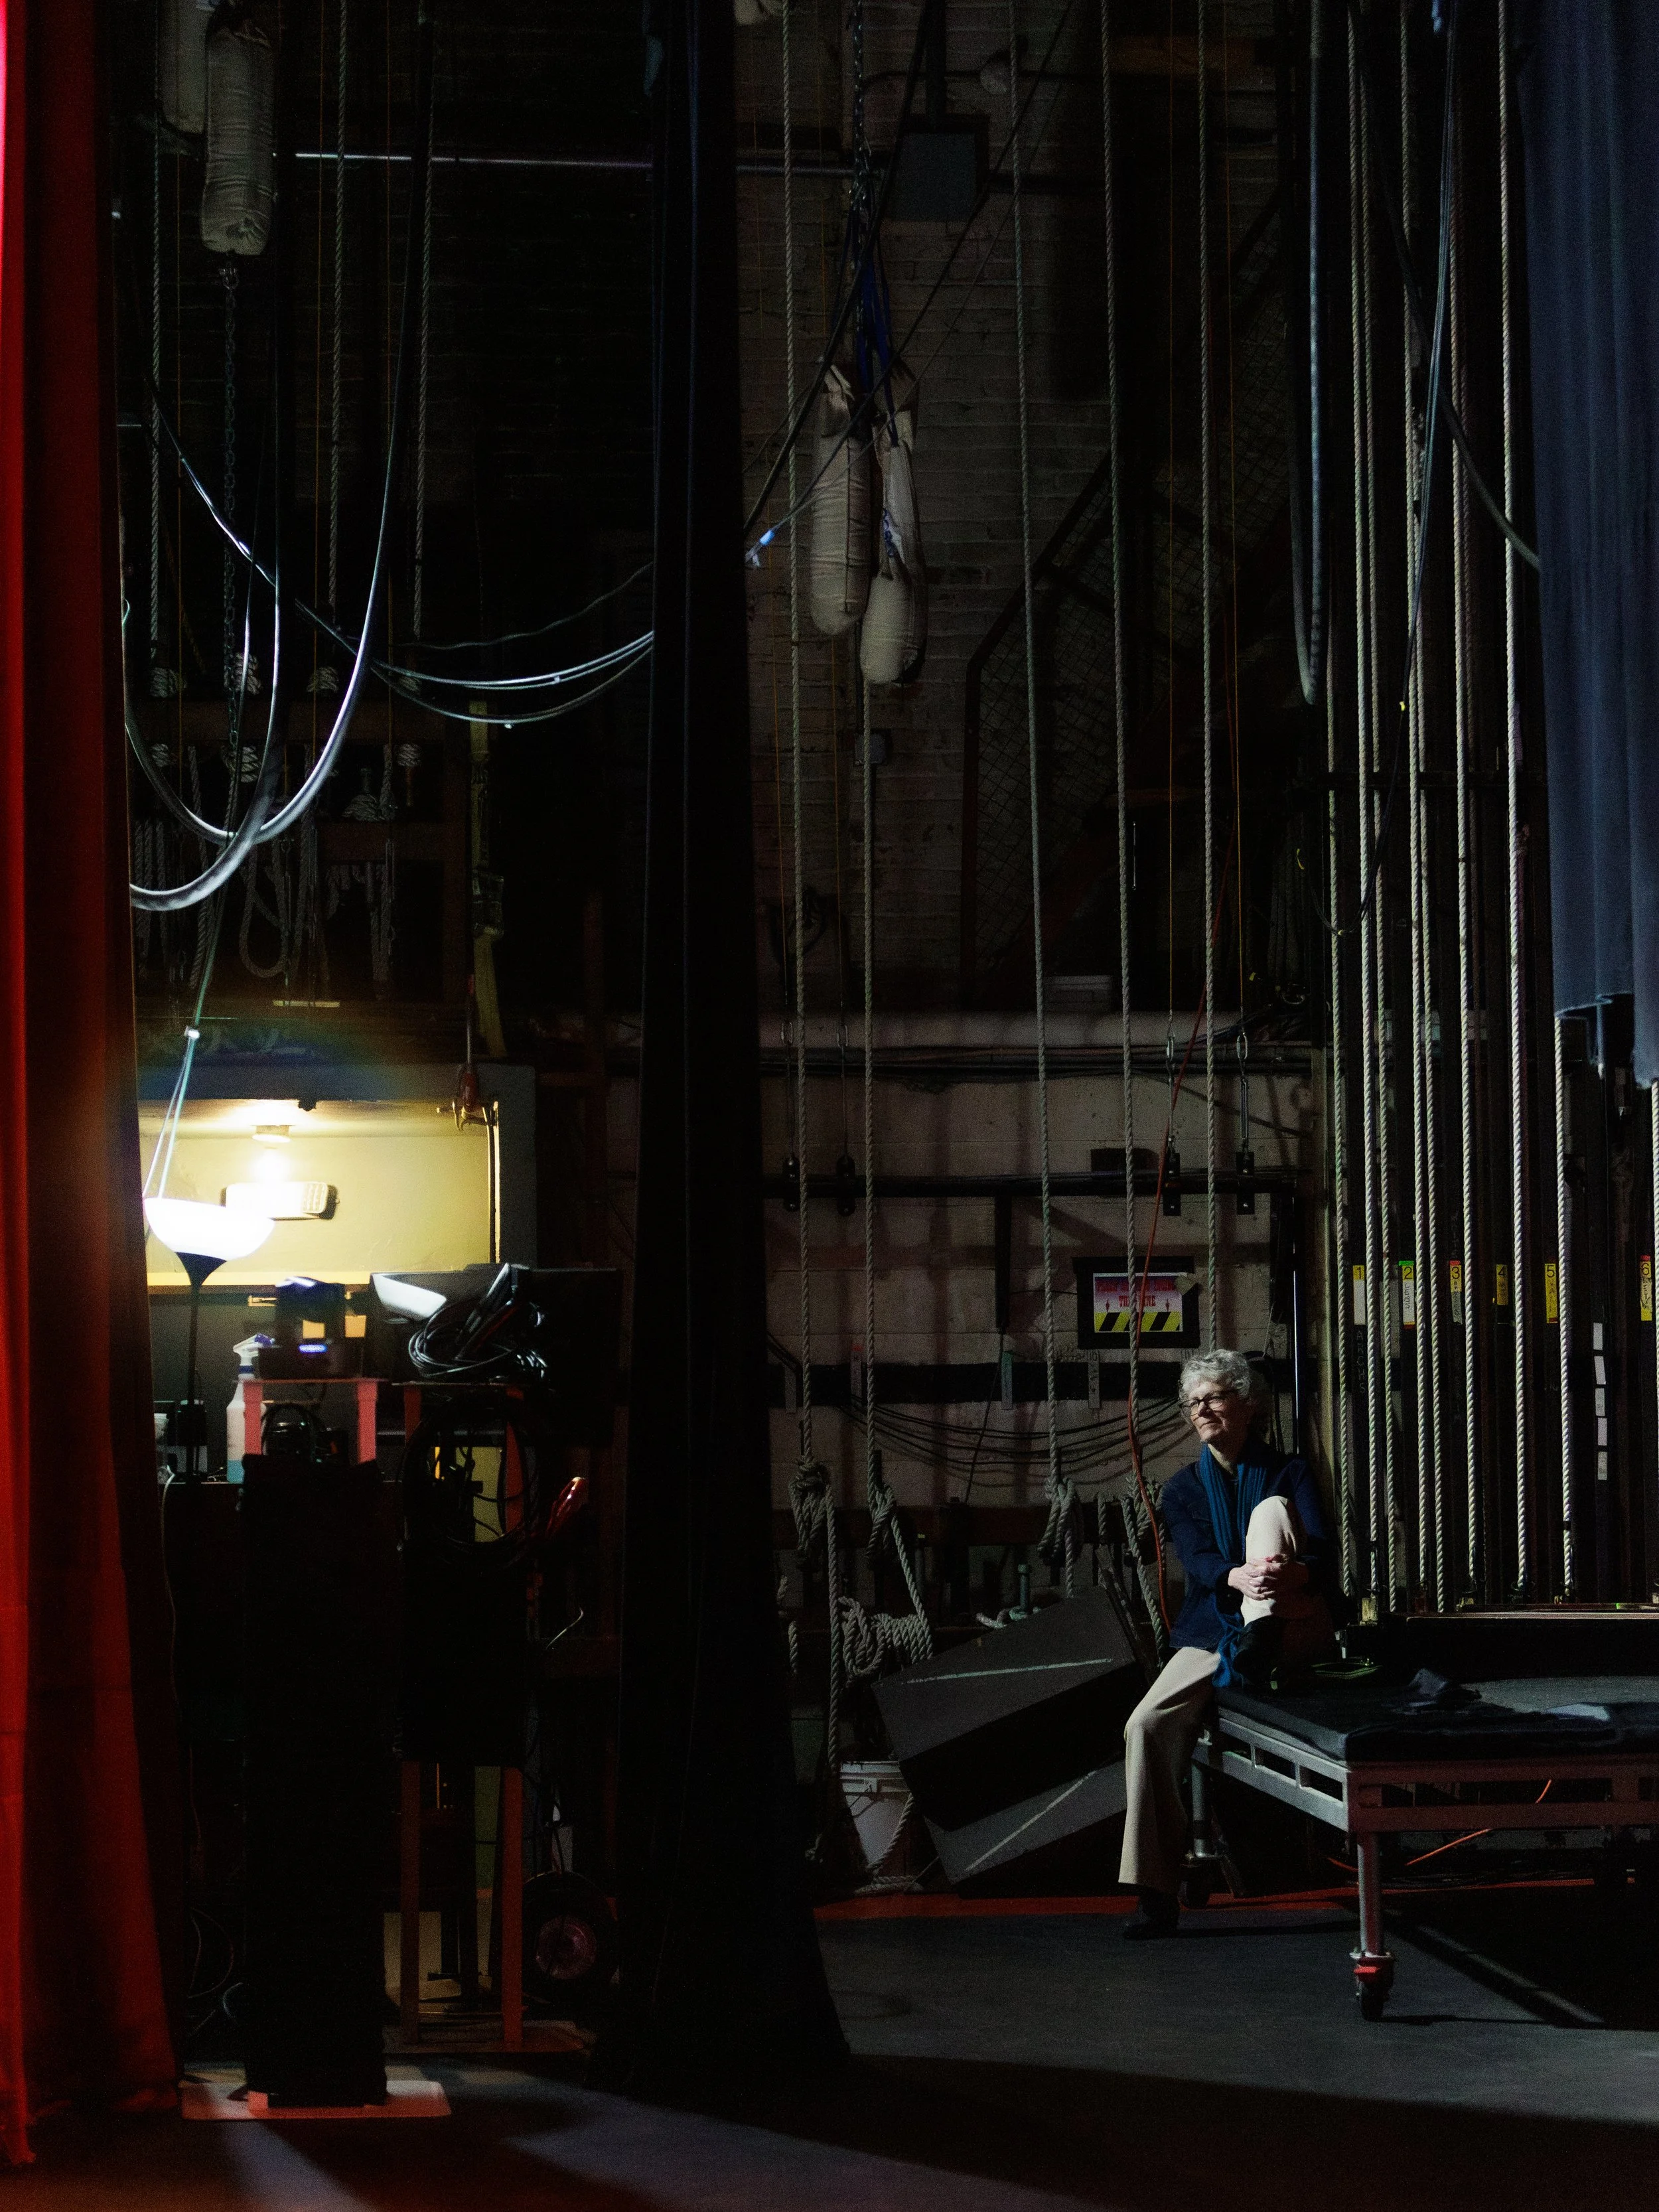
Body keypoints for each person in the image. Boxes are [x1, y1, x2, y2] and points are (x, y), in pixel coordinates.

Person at [1118, 1348, 1335, 1940]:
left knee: (1269, 1512)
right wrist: (1237, 1577)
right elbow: (1197, 1558)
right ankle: (1154, 1888)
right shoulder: (1184, 1488)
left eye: (1214, 1396)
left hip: (1291, 1618)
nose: (1202, 1409)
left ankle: (1262, 1634)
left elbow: (1319, 1551)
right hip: (1215, 1627)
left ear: (1249, 1404)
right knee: (1145, 1725)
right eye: (1194, 1401)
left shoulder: (1290, 1472)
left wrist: (1287, 1575)